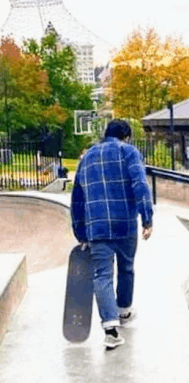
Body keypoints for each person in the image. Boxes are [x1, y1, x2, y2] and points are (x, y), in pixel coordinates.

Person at [71, 119, 153, 349]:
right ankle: (124, 310)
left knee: (102, 275)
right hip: (125, 224)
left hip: (96, 227)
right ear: (125, 136)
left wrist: (80, 232)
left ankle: (110, 328)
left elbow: (77, 197)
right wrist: (147, 217)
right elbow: (140, 184)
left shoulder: (86, 157)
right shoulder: (128, 151)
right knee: (126, 268)